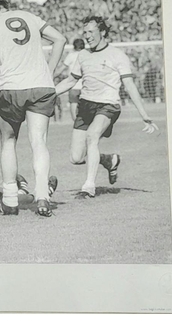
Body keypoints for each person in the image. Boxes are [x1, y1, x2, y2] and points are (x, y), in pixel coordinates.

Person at [0, 0, 67, 217]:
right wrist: (49, 71)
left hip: (10, 89)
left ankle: (9, 201)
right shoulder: (29, 16)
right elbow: (60, 39)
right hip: (40, 85)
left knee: (8, 140)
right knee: (39, 142)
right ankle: (43, 198)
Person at [55, 16, 159, 199]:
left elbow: (129, 85)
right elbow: (71, 80)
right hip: (85, 105)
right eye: (85, 32)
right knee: (76, 157)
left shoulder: (117, 55)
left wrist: (144, 115)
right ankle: (109, 160)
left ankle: (88, 187)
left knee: (92, 136)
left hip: (108, 105)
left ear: (102, 32)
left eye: (91, 32)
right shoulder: (83, 55)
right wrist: (49, 93)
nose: (87, 36)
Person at [62, 38, 85, 120]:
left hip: (73, 86)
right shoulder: (87, 55)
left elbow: (62, 68)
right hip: (85, 86)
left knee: (73, 106)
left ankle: (76, 125)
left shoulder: (71, 56)